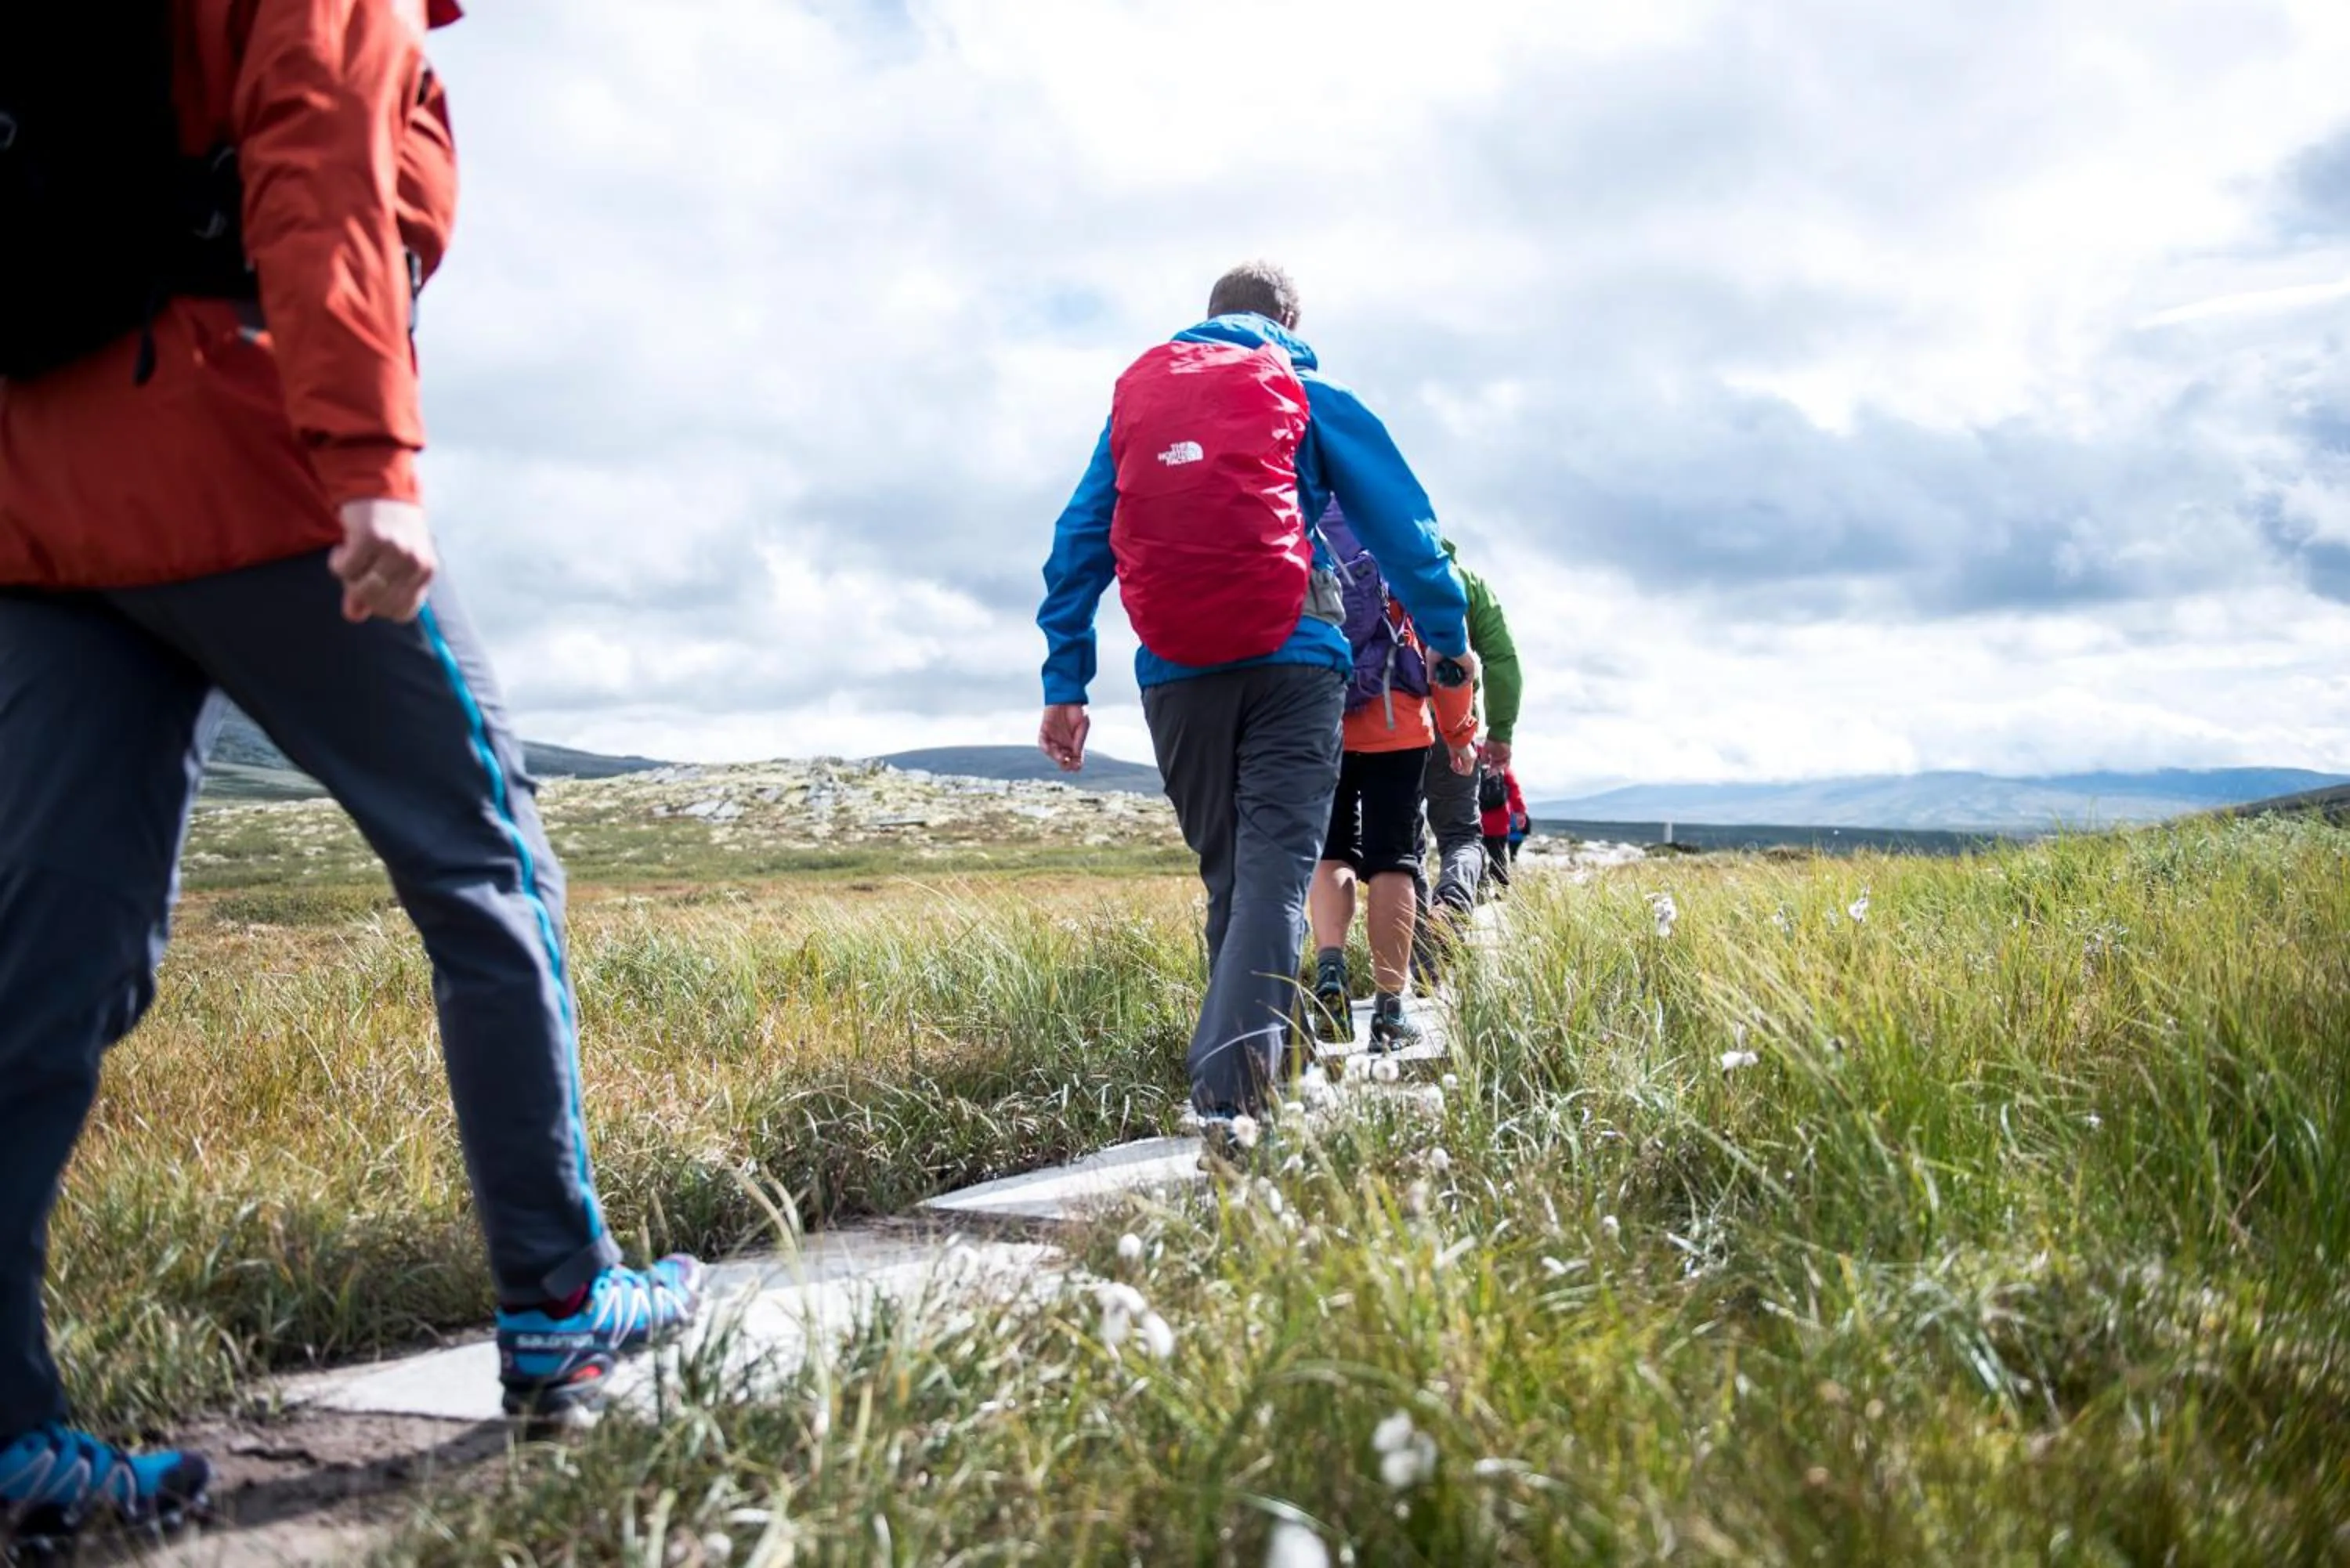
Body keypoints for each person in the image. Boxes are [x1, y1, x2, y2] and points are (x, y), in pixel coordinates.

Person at [0, 1, 702, 1545]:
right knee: (486, 870)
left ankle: (10, 1431)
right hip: (249, 459)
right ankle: (562, 1303)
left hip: (42, 497)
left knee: (40, 964)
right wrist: (372, 465)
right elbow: (317, 166)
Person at [1036, 261, 1470, 1145]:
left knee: (1234, 878)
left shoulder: (1138, 402)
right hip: (1294, 659)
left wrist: (1066, 679)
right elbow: (1405, 528)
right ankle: (1232, 1094)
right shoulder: (1305, 391)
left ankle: (1266, 1070)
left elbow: (1080, 535)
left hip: (1174, 669)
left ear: (1208, 318)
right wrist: (1449, 635)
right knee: (1275, 872)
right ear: (1290, 317)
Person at [1307, 503, 1478, 1050]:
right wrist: (1458, 733)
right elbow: (1448, 656)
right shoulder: (1395, 529)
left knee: (1331, 853)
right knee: (1394, 862)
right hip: (1398, 727)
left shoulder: (1303, 525)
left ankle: (1330, 970)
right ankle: (1389, 1009)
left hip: (1320, 720)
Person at [1410, 538, 1521, 973]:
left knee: (1408, 843)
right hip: (1455, 724)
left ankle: (1420, 960)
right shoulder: (1469, 585)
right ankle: (1453, 908)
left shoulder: (1388, 572)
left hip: (1394, 722)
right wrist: (1501, 731)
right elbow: (1502, 658)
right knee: (1461, 835)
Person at [1480, 764, 1530, 891]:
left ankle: (1479, 888)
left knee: (1475, 855)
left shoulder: (1471, 758)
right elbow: (1514, 789)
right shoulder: (1500, 764)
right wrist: (1520, 811)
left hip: (1475, 818)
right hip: (1499, 820)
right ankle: (1501, 889)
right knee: (1498, 856)